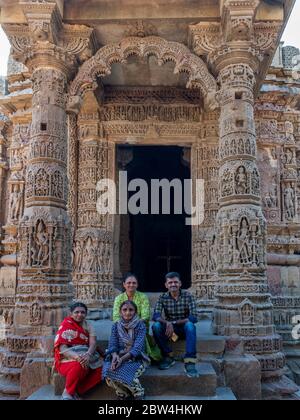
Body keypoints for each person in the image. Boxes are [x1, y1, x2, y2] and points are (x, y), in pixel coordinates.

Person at [152, 272, 199, 377]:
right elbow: (156, 316)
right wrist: (167, 323)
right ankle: (168, 356)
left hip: (183, 330)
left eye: (175, 282)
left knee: (190, 325)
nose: (173, 284)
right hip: (170, 333)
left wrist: (173, 322)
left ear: (180, 283)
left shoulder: (188, 296)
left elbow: (194, 317)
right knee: (156, 326)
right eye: (170, 282)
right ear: (166, 285)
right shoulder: (162, 297)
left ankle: (190, 361)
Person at [54, 302, 102, 400]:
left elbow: (93, 344)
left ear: (86, 314)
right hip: (67, 359)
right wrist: (77, 357)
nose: (79, 314)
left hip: (86, 354)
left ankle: (78, 390)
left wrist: (88, 355)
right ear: (71, 313)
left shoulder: (88, 325)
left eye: (82, 312)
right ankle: (67, 393)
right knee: (80, 365)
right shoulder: (66, 325)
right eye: (76, 312)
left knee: (104, 369)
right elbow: (62, 349)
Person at [103, 300, 150, 400]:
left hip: (136, 358)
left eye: (131, 310)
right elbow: (112, 344)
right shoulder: (116, 325)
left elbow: (137, 348)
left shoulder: (140, 325)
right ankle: (123, 394)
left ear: (135, 312)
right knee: (108, 373)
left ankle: (139, 394)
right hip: (118, 355)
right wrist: (115, 357)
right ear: (120, 312)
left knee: (126, 373)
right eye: (124, 310)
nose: (127, 312)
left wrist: (121, 360)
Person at [113, 273, 161, 362]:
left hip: (139, 328)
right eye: (129, 283)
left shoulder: (143, 297)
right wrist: (126, 327)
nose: (131, 285)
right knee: (116, 328)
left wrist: (132, 326)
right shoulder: (119, 298)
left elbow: (145, 316)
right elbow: (116, 317)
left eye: (134, 283)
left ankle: (137, 355)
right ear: (124, 284)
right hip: (123, 330)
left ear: (137, 284)